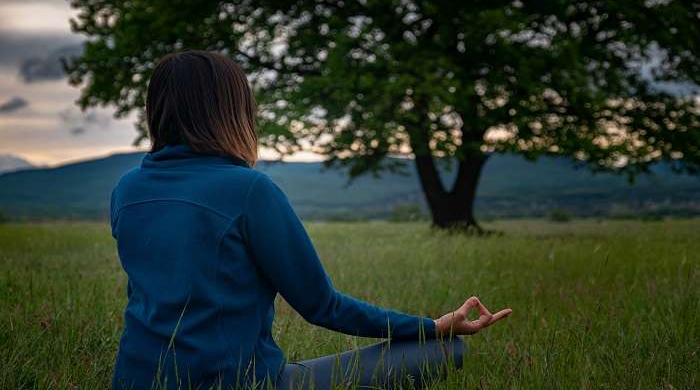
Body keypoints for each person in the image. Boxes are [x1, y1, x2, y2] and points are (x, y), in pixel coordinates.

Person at [110, 50, 512, 390]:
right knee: (446, 350)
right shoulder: (249, 190)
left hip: (133, 380)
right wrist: (433, 326)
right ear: (232, 111)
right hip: (241, 382)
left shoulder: (126, 190)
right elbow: (323, 307)